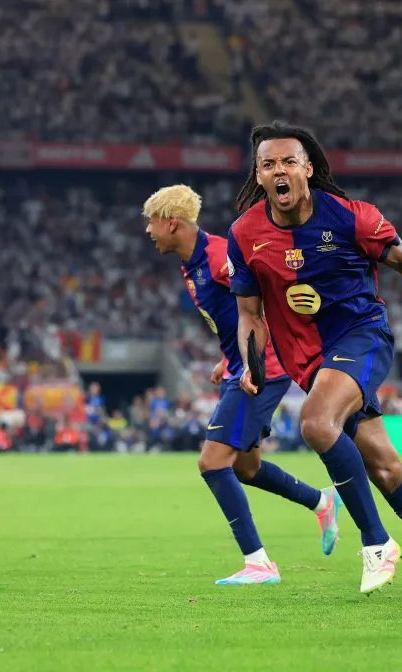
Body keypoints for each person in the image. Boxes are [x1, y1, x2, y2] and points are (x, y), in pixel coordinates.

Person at [226, 123, 402, 610]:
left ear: (308, 168)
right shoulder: (244, 234)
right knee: (385, 470)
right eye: (268, 164)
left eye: (288, 161)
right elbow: (249, 315)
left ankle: (376, 542)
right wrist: (251, 362)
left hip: (363, 337)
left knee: (316, 423)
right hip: (310, 362)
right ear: (258, 176)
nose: (279, 171)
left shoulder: (351, 217)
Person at [142, 184, 342, 586]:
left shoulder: (219, 257)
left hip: (261, 370)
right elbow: (236, 314)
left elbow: (265, 303)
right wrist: (228, 357)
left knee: (212, 462)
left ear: (172, 223)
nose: (148, 230)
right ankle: (321, 502)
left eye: (151, 222)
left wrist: (252, 362)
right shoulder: (192, 262)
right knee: (246, 467)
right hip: (241, 367)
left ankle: (259, 563)